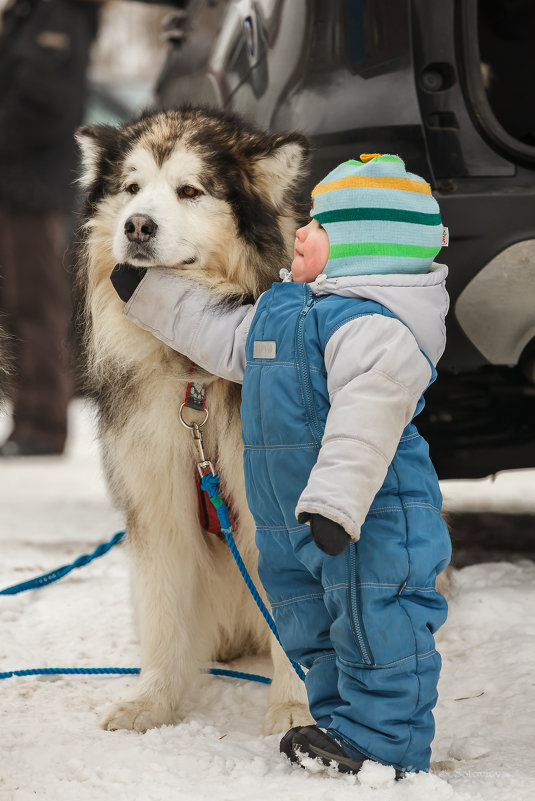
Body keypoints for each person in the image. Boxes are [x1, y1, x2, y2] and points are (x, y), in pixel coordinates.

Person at [111, 154, 451, 776]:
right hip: (301, 526)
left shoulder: (376, 332)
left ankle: (387, 744)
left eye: (319, 226)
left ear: (359, 249)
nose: (298, 229)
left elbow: (364, 432)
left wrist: (335, 506)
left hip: (368, 523)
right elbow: (226, 341)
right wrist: (154, 299)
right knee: (312, 624)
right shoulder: (292, 312)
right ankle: (332, 718)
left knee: (381, 633)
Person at [0, 0, 100, 456]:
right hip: (15, 184)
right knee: (18, 305)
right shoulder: (29, 14)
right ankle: (27, 421)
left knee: (34, 305)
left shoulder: (58, 14)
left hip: (32, 189)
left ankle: (43, 424)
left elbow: (44, 105)